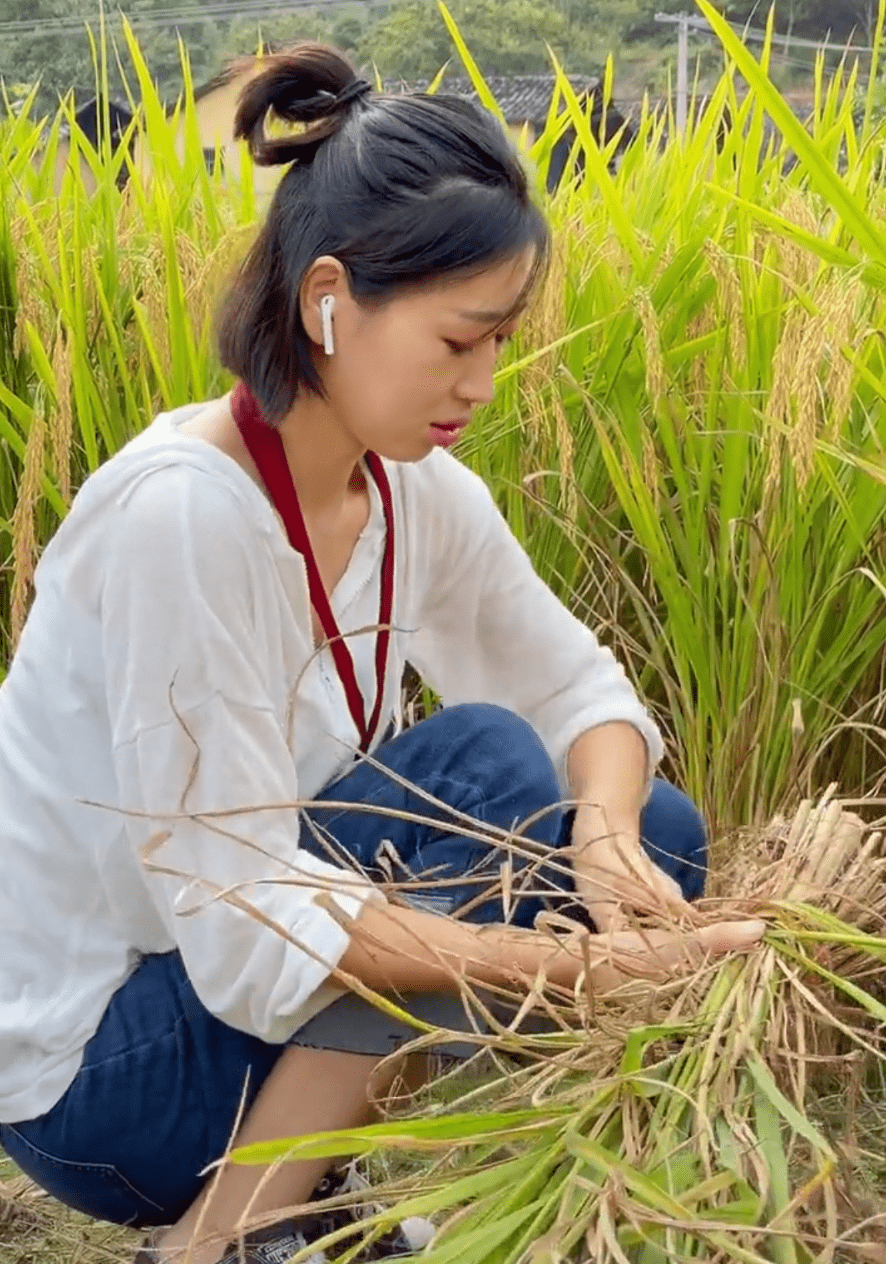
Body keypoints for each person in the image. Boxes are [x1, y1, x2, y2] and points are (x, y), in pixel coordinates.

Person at [0, 42, 764, 1264]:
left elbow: (580, 691)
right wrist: (565, 972)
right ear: (326, 300)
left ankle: (318, 1185)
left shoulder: (413, 493)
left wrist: (609, 849)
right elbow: (246, 912)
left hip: (230, 1018)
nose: (485, 381)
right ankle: (227, 1232)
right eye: (459, 340)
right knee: (484, 768)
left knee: (649, 826)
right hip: (108, 1080)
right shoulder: (182, 515)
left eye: (502, 341)